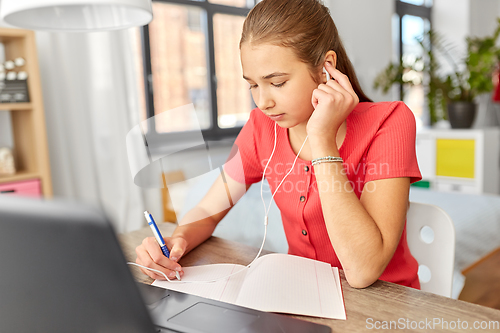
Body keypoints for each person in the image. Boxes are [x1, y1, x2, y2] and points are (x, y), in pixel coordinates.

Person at [135, 0, 422, 289]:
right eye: (253, 85)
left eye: (278, 82)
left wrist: (322, 139)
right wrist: (178, 241)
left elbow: (363, 271)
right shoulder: (261, 127)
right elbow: (207, 211)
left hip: (385, 307)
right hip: (302, 294)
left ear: (326, 68)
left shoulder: (390, 122)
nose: (263, 102)